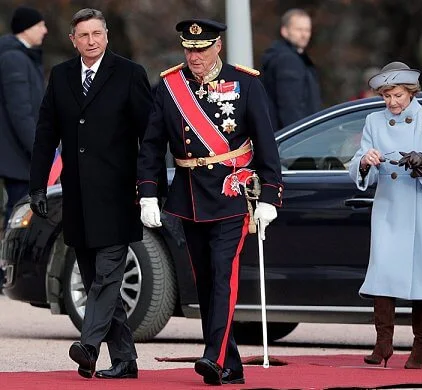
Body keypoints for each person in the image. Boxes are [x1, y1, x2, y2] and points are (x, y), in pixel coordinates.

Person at [136, 19, 282, 385]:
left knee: (223, 274)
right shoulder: (171, 86)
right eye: (188, 49)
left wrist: (270, 195)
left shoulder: (246, 83)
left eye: (201, 50)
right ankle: (230, 366)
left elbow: (266, 141)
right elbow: (152, 144)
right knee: (204, 281)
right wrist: (147, 192)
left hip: (232, 193)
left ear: (218, 47)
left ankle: (213, 357)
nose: (194, 56)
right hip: (188, 196)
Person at [28, 8, 152, 380]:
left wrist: (149, 188)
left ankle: (89, 345)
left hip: (118, 195)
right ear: (73, 40)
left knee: (107, 276)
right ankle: (126, 359)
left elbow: (150, 137)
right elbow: (46, 132)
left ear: (107, 35)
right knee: (94, 274)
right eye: (84, 35)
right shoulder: (63, 75)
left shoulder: (130, 74)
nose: (91, 40)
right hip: (78, 198)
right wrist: (37, 185)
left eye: (97, 33)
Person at [349, 62, 422, 369]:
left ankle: (420, 347)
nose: (392, 102)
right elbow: (360, 160)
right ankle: (382, 343)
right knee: (382, 274)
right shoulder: (373, 120)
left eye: (397, 95)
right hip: (389, 207)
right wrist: (365, 160)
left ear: (411, 92)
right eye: (386, 96)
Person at [0, 6, 47, 230]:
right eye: (40, 25)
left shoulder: (26, 58)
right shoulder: (14, 59)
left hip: (22, 154)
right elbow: (21, 112)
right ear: (26, 29)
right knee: (19, 212)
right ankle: (9, 263)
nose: (45, 30)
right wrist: (37, 149)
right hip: (18, 157)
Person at [261, 8, 322, 130]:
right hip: (295, 138)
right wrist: (300, 137)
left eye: (307, 30)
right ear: (285, 31)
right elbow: (290, 107)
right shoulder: (288, 60)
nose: (304, 34)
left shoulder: (286, 57)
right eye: (299, 29)